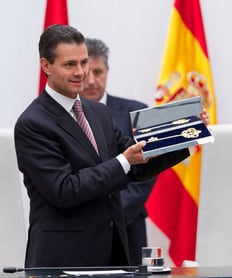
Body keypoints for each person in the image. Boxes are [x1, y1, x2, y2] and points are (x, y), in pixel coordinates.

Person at [14, 24, 207, 268]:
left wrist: (186, 133)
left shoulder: (98, 112)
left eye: (83, 63)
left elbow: (137, 165)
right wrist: (123, 161)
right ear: (46, 66)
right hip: (63, 259)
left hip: (113, 254)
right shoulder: (32, 123)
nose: (81, 72)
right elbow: (64, 190)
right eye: (69, 64)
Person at [80, 37, 156, 266]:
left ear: (108, 71)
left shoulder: (136, 112)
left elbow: (145, 172)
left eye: (99, 72)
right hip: (80, 230)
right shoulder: (65, 117)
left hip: (127, 226)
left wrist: (108, 215)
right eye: (87, 72)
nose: (92, 80)